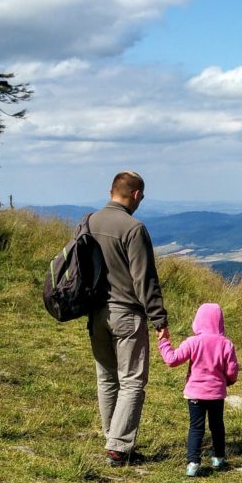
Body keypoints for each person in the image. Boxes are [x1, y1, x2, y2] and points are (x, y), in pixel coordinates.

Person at [87, 171, 168, 466]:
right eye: (141, 197)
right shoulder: (133, 228)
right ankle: (119, 446)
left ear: (112, 190)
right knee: (132, 380)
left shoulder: (89, 222)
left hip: (96, 314)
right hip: (127, 315)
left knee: (106, 378)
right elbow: (144, 279)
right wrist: (159, 319)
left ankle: (113, 439)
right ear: (135, 195)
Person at [157, 302, 240, 476]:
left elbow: (172, 360)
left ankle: (193, 464)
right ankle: (218, 458)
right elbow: (232, 371)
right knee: (217, 426)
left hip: (195, 394)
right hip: (216, 394)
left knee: (196, 427)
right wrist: (228, 381)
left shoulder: (193, 342)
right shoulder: (226, 344)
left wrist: (164, 342)